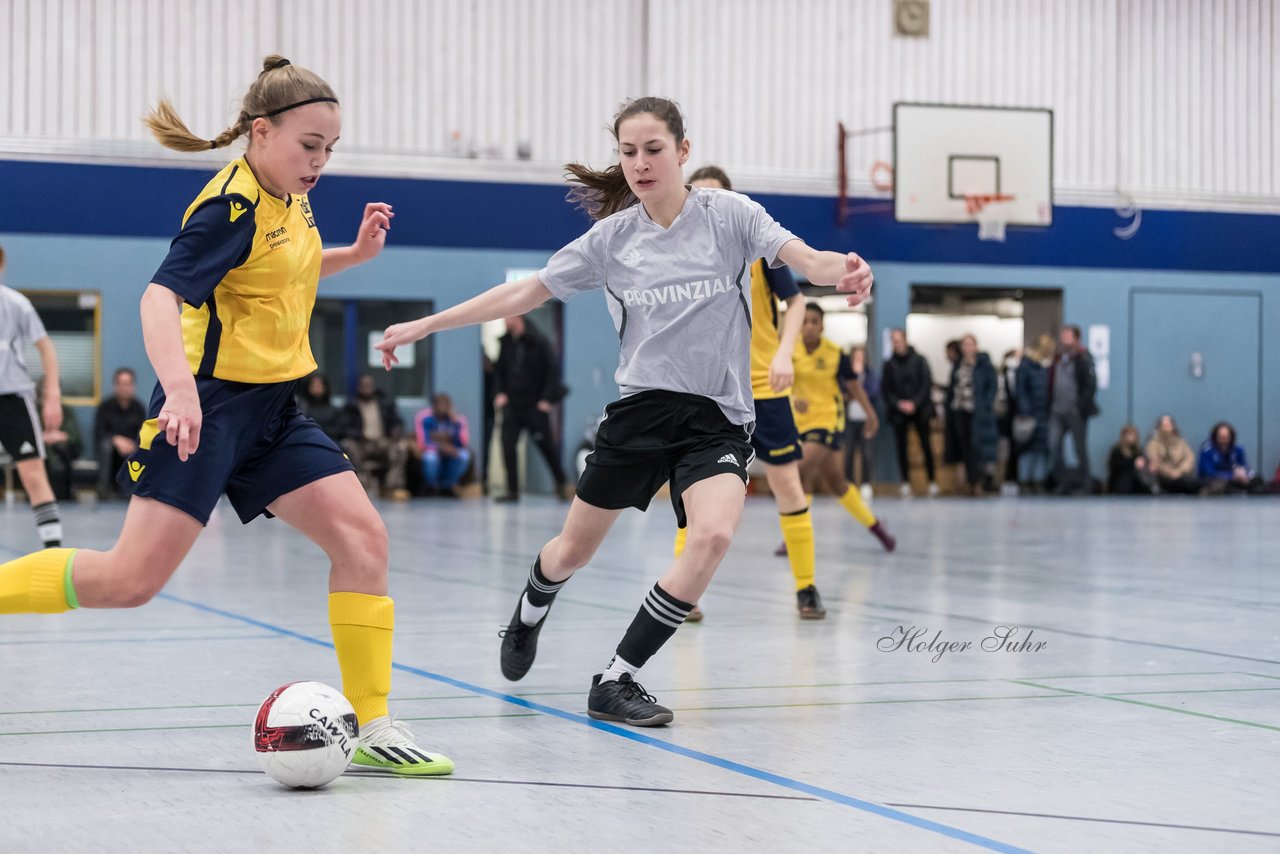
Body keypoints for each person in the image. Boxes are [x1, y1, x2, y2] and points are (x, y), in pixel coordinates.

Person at [0, 56, 452, 775]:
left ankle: (373, 725)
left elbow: (285, 272)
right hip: (204, 408)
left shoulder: (290, 197)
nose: (321, 163)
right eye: (311, 146)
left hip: (272, 409)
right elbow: (159, 297)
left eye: (330, 149)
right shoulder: (228, 207)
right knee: (127, 581)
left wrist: (357, 256)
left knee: (364, 541)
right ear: (262, 132)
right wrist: (177, 387)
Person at [377, 97, 873, 726]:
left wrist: (847, 270)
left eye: (653, 150)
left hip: (717, 417)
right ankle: (531, 607)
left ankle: (616, 679)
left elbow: (807, 261)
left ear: (683, 152)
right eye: (628, 152)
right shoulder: (611, 240)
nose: (639, 164)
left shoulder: (730, 217)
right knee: (572, 552)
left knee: (714, 534)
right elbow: (523, 291)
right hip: (641, 414)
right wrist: (425, 325)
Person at [678, 165, 823, 622]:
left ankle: (806, 588)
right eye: (699, 196)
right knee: (693, 495)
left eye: (717, 197)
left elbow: (796, 301)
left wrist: (784, 354)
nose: (708, 205)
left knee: (786, 482)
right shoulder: (677, 258)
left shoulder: (757, 248)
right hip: (707, 392)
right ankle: (685, 593)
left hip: (762, 384)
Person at [791, 303, 894, 550]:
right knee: (837, 483)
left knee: (797, 472)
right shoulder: (789, 350)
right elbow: (778, 383)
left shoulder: (836, 354)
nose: (809, 326)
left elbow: (854, 387)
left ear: (822, 325)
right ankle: (878, 528)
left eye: (814, 321)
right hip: (798, 424)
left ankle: (794, 535)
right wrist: (793, 400)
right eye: (805, 321)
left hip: (828, 422)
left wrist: (871, 414)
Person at [0, 244, 66, 547]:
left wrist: (52, 394)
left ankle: (53, 552)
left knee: (33, 473)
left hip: (13, 398)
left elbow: (45, 346)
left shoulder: (15, 304)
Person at [493, 314, 569, 502]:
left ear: (517, 317)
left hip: (534, 405)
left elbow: (552, 372)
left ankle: (562, 484)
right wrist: (499, 393)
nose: (504, 321)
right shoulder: (505, 343)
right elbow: (499, 371)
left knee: (546, 447)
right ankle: (512, 491)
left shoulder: (539, 341)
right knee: (507, 445)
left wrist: (547, 400)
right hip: (512, 405)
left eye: (507, 317)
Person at [882, 328, 938, 497]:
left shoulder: (920, 360)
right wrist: (899, 404)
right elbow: (886, 389)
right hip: (899, 413)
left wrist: (915, 403)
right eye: (893, 340)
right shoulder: (889, 364)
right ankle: (905, 482)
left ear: (905, 340)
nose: (896, 343)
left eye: (899, 339)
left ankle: (932, 481)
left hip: (920, 411)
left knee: (925, 445)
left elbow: (926, 383)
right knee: (901, 448)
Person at [340, 372, 411, 500]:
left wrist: (396, 431)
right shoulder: (351, 406)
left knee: (401, 446)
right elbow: (344, 428)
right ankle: (362, 487)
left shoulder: (384, 403)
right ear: (358, 387)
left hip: (383, 441)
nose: (366, 388)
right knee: (347, 445)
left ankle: (392, 487)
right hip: (361, 443)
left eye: (369, 385)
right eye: (363, 385)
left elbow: (397, 422)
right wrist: (358, 435)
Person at [944, 334, 999, 495]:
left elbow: (992, 388)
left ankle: (978, 483)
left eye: (970, 344)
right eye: (964, 345)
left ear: (976, 346)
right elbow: (953, 387)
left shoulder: (985, 366)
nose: (967, 348)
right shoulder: (957, 365)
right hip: (959, 411)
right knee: (964, 447)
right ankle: (969, 482)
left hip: (977, 412)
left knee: (977, 448)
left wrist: (985, 404)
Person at [1048, 324, 1098, 494]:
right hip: (1057, 410)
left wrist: (1080, 406)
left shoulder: (1083, 357)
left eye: (1067, 335)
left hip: (1075, 411)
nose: (1063, 338)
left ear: (1076, 338)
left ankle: (1086, 484)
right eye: (1062, 334)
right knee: (1053, 445)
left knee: (1079, 448)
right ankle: (1062, 483)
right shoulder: (1057, 357)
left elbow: (1090, 385)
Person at [94, 367, 147, 499]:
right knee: (106, 446)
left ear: (133, 386)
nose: (125, 387)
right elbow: (99, 432)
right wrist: (115, 439)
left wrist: (132, 443)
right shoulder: (105, 407)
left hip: (130, 449)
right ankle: (104, 489)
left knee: (141, 448)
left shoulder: (139, 408)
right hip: (110, 450)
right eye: (122, 384)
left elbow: (143, 433)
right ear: (115, 385)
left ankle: (132, 489)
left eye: (128, 384)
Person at [1014, 334, 1053, 493]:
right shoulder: (1025, 366)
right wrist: (1025, 411)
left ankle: (1038, 480)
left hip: (1043, 412)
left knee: (1041, 449)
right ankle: (1024, 480)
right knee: (1027, 448)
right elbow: (1020, 390)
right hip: (1029, 414)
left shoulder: (1044, 367)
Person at [414, 392, 471, 497]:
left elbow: (463, 442)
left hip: (451, 451)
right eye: (439, 405)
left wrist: (455, 422)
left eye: (445, 405)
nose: (442, 408)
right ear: (433, 406)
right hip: (433, 450)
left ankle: (448, 486)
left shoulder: (457, 419)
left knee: (464, 455)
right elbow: (423, 442)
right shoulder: (425, 418)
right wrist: (440, 447)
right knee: (431, 458)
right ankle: (431, 486)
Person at [844, 345, 879, 496]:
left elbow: (873, 392)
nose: (859, 359)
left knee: (867, 452)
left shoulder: (870, 375)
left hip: (865, 420)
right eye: (856, 357)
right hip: (849, 419)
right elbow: (843, 391)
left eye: (861, 356)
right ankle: (849, 483)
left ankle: (866, 484)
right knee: (849, 452)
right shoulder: (845, 375)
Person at [39, 383, 83, 502]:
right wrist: (43, 437)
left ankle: (66, 492)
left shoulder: (66, 410)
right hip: (42, 449)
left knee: (60, 449)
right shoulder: (35, 410)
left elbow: (74, 435)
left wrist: (58, 436)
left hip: (64, 449)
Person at [1197, 421, 1267, 495]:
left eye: (1227, 438)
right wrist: (1231, 476)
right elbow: (1209, 473)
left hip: (1236, 480)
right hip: (1215, 480)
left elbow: (1244, 466)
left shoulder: (1238, 448)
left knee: (1258, 480)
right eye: (1221, 438)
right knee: (1217, 483)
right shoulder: (1207, 450)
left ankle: (1239, 491)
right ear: (1215, 438)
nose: (1224, 441)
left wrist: (1244, 475)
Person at [1144, 414, 1199, 494]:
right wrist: (1170, 473)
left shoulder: (1181, 442)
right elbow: (1155, 462)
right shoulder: (1153, 443)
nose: (1167, 427)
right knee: (1186, 483)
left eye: (1169, 424)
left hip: (1181, 474)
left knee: (1193, 481)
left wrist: (1180, 471)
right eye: (1164, 425)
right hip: (1163, 477)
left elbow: (1189, 458)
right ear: (1159, 427)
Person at [295, 372, 342, 441]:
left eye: (319, 386)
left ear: (325, 387)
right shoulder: (302, 409)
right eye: (314, 386)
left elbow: (339, 431)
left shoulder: (334, 410)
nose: (316, 389)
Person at [1107, 424, 1152, 494]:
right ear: (1123, 436)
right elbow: (1115, 467)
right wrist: (1133, 462)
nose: (1130, 438)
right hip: (1119, 481)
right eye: (1128, 435)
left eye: (1133, 435)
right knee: (1126, 476)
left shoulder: (1138, 451)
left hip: (1136, 481)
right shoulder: (1117, 450)